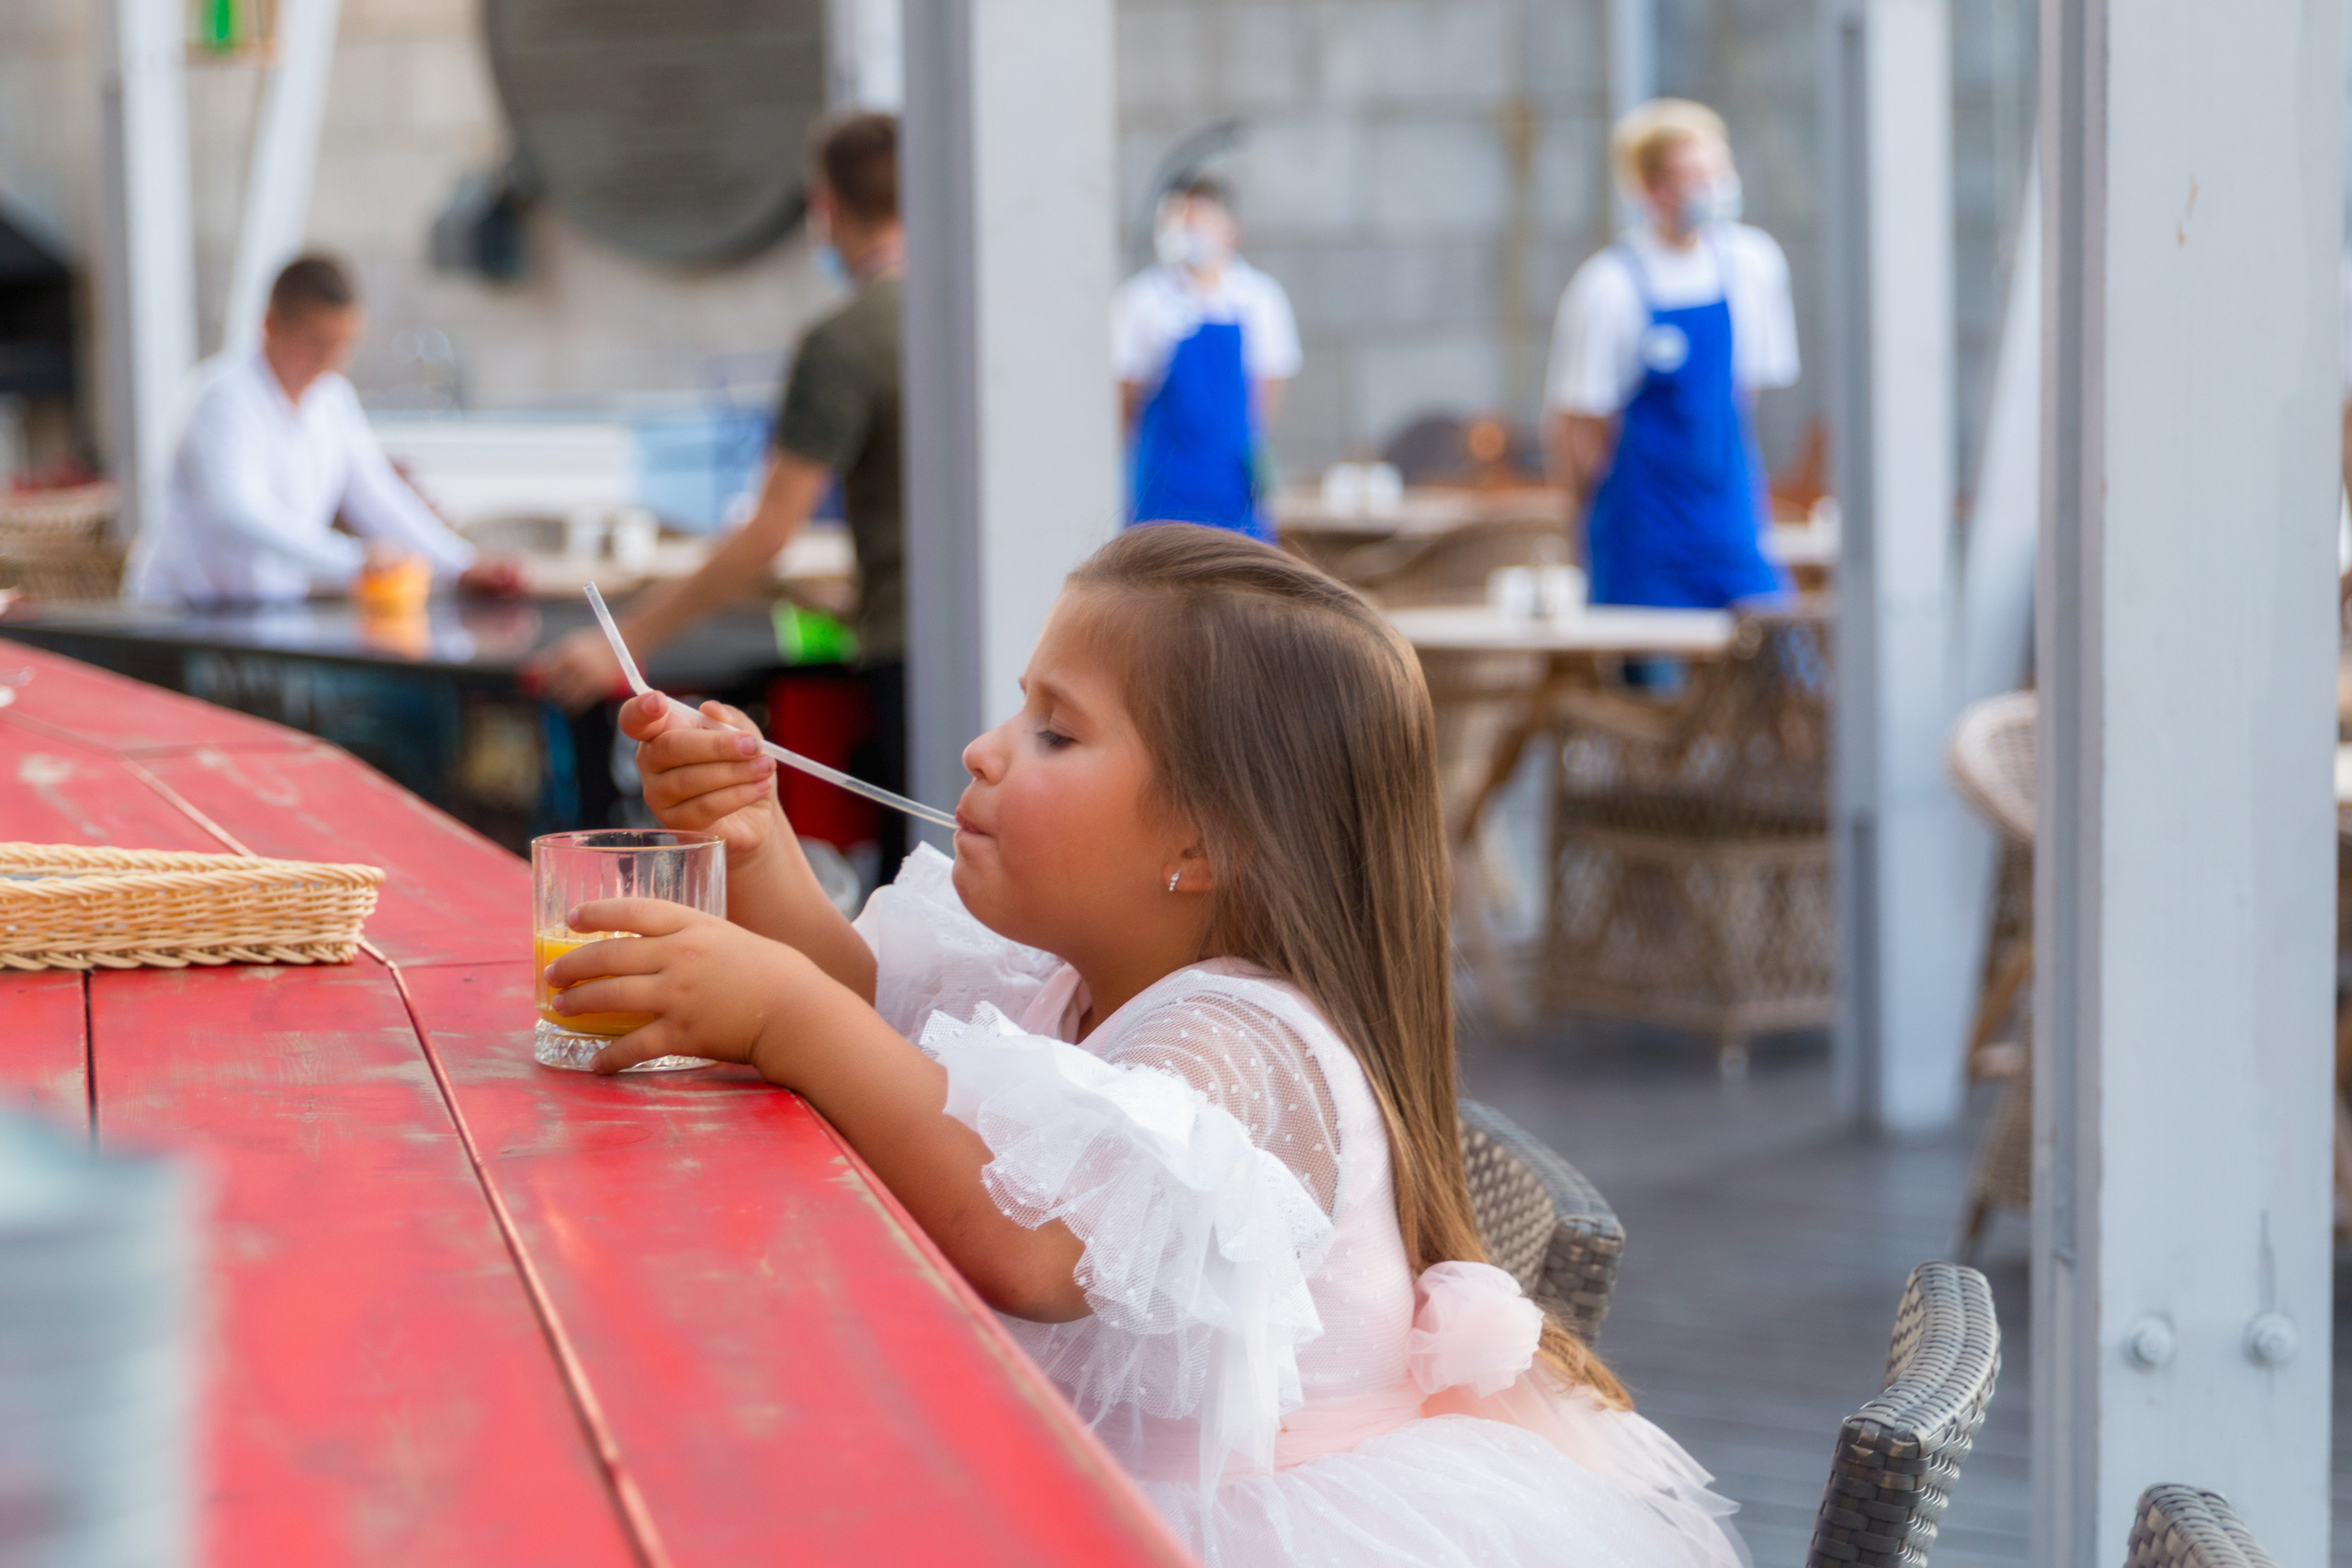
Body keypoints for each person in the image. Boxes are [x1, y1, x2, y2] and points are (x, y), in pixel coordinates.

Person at [545, 525, 1747, 1568]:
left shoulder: (1243, 1044)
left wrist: (782, 1017)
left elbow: (1034, 1241)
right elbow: (875, 1000)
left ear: (1203, 846)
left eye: (1057, 733)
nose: (986, 747)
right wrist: (753, 840)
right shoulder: (1065, 975)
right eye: (1022, 705)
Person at [528, 111, 910, 877]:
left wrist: (624, 643)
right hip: (994, 640)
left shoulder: (848, 340)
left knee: (905, 885)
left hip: (909, 654)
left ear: (824, 206)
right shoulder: (970, 315)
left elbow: (769, 527)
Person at [127, 254, 524, 606]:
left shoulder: (332, 399)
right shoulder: (223, 396)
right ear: (269, 324)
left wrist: (460, 564)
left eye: (342, 344)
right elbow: (237, 511)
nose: (330, 361)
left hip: (265, 613)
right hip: (180, 615)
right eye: (315, 343)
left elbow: (376, 492)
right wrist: (353, 560)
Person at [1544, 99, 1796, 610]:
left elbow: (1741, 397)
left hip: (1728, 523)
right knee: (1654, 686)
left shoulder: (1752, 265)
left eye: (1721, 169)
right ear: (1652, 190)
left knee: (1781, 665)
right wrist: (1586, 527)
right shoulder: (1608, 287)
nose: (1718, 187)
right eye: (1698, 175)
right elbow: (1578, 424)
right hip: (1643, 537)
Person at [1113, 178, 1301, 540]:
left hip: (1234, 477)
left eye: (1202, 221)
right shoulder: (1141, 300)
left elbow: (1266, 393)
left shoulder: (1260, 298)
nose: (1192, 232)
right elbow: (1126, 395)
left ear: (1231, 229)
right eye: (1183, 222)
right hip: (1163, 482)